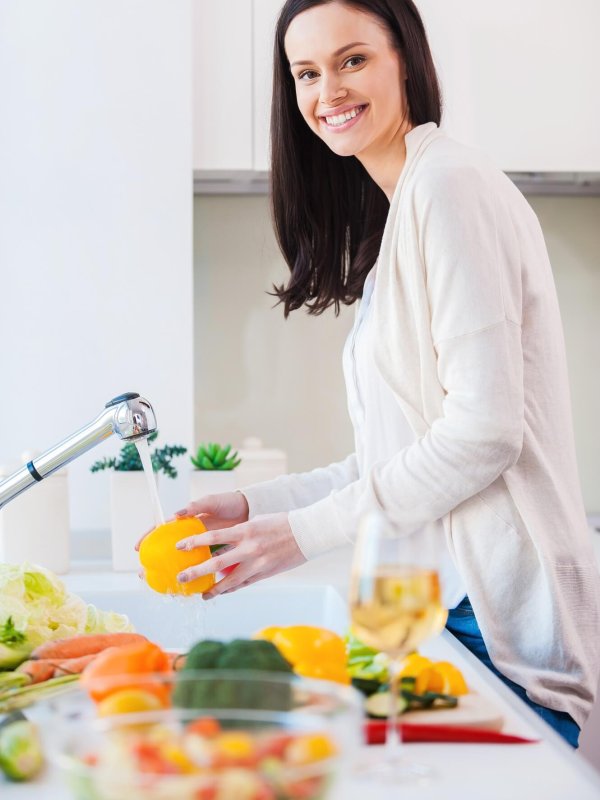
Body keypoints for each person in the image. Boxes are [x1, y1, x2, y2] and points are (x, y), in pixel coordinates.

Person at [172, 0, 600, 746]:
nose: (327, 91)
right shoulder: (405, 211)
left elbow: (483, 434)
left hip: (497, 622)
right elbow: (397, 459)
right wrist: (255, 504)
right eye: (306, 72)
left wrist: (300, 535)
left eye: (352, 60)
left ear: (405, 57)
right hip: (450, 610)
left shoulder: (449, 186)